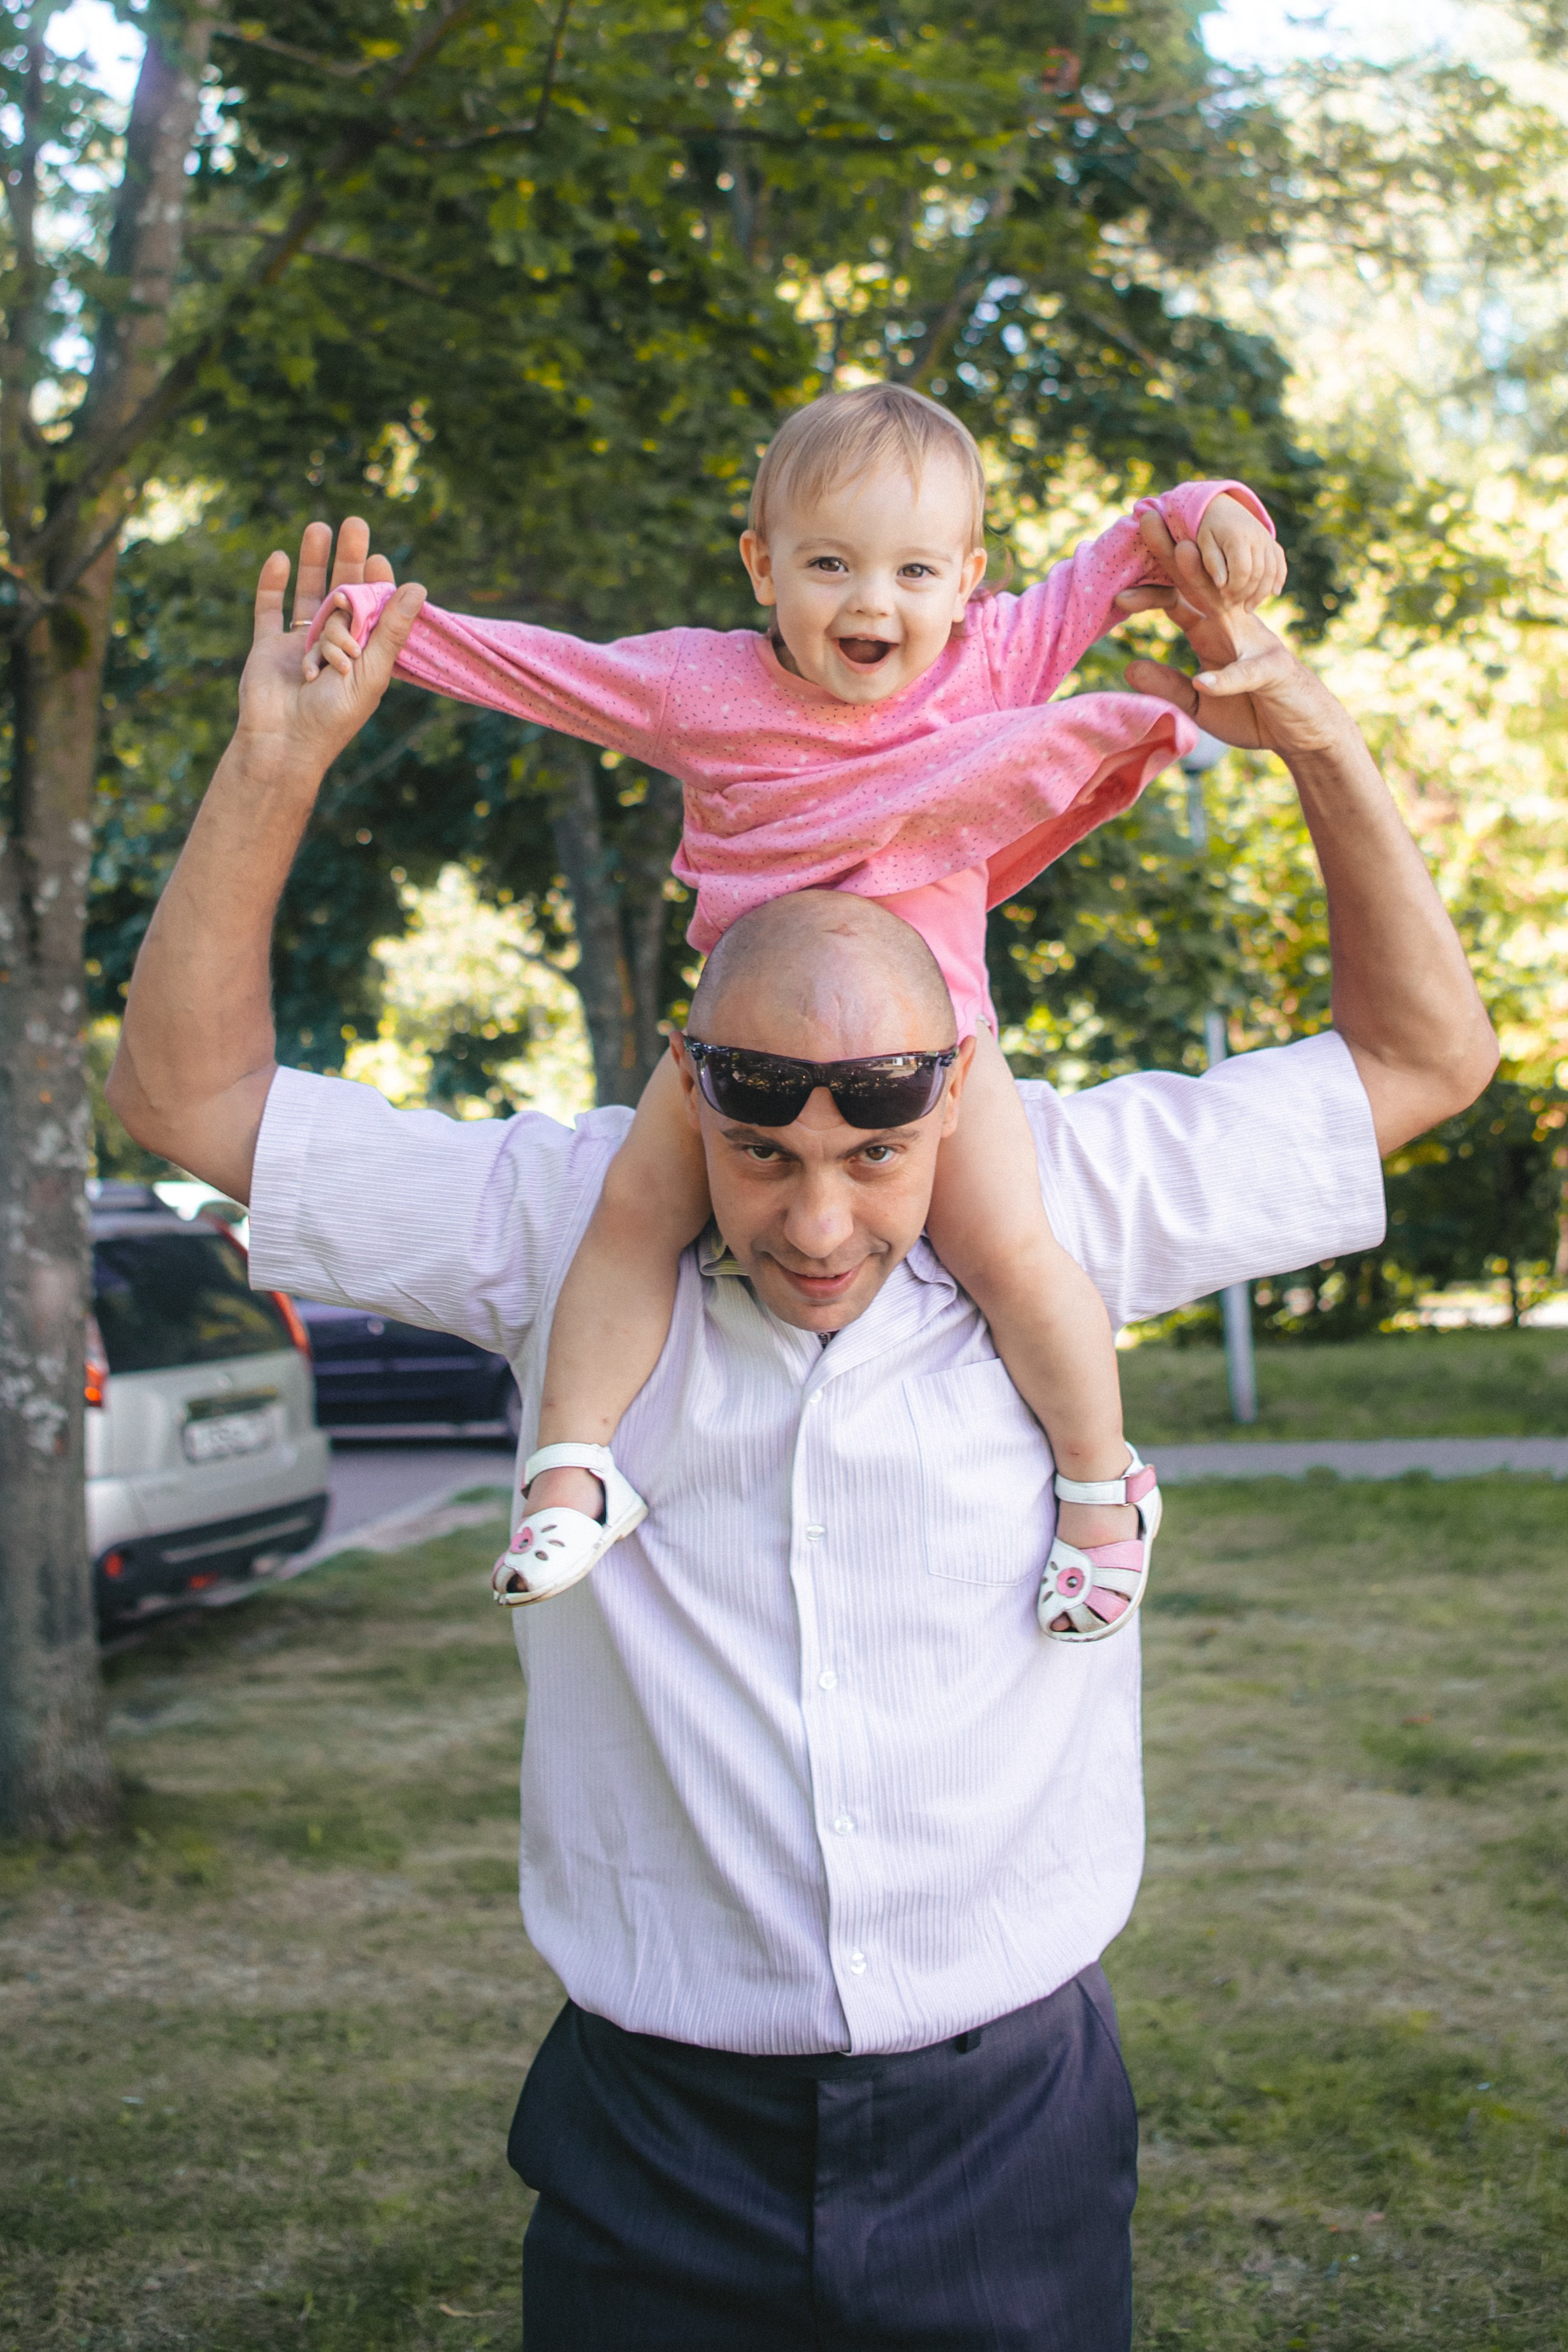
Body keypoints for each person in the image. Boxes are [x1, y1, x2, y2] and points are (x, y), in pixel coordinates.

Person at [108, 516, 1496, 2352]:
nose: (817, 1223)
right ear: (689, 1093)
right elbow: (186, 1094)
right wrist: (274, 762)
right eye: (759, 1153)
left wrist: (1314, 741)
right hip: (650, 2133)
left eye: (876, 1155)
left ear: (957, 1094)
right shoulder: (560, 1222)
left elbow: (1420, 1059)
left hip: (1009, 2116)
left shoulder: (1065, 1203)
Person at [303, 386, 1285, 1635]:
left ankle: (1103, 1490)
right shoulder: (698, 687)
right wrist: (384, 629)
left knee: (1011, 1253)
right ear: (763, 566)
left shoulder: (994, 653)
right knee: (628, 1224)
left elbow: (1131, 547)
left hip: (930, 1060)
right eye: (830, 564)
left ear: (968, 578)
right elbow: (548, 670)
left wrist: (1224, 517)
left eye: (915, 570)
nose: (874, 602)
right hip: (745, 1053)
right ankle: (570, 1470)